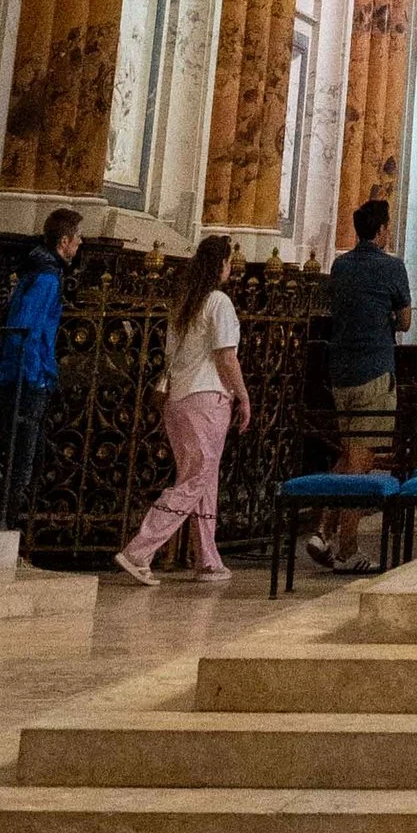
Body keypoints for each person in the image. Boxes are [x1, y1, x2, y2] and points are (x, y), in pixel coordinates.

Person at [114, 234, 248, 587]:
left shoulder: (185, 302)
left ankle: (207, 559)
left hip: (179, 399)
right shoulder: (218, 301)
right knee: (195, 478)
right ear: (221, 265)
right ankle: (139, 550)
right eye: (228, 262)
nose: (230, 268)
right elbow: (226, 357)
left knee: (204, 477)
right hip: (207, 398)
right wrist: (244, 396)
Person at [309, 198, 409, 573]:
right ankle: (348, 549)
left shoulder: (340, 265)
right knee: (362, 460)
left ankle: (322, 531)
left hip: (340, 371)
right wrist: (386, 317)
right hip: (374, 370)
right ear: (381, 230)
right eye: (387, 227)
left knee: (349, 452)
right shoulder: (392, 267)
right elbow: (405, 321)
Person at [0, 206, 81, 534]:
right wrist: (37, 376)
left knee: (25, 457)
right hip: (26, 378)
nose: (80, 243)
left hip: (21, 374)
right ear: (64, 241)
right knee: (22, 462)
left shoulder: (37, 269)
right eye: (77, 237)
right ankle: (1, 525)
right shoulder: (45, 277)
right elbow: (26, 329)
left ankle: (0, 522)